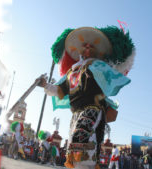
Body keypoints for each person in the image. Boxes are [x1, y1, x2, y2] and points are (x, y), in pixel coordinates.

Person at [40, 26, 135, 169]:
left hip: (93, 108)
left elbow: (113, 75)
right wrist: (45, 85)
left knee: (82, 139)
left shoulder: (99, 66)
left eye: (92, 46)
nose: (88, 48)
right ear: (79, 50)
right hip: (76, 113)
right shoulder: (72, 72)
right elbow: (59, 90)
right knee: (73, 146)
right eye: (85, 45)